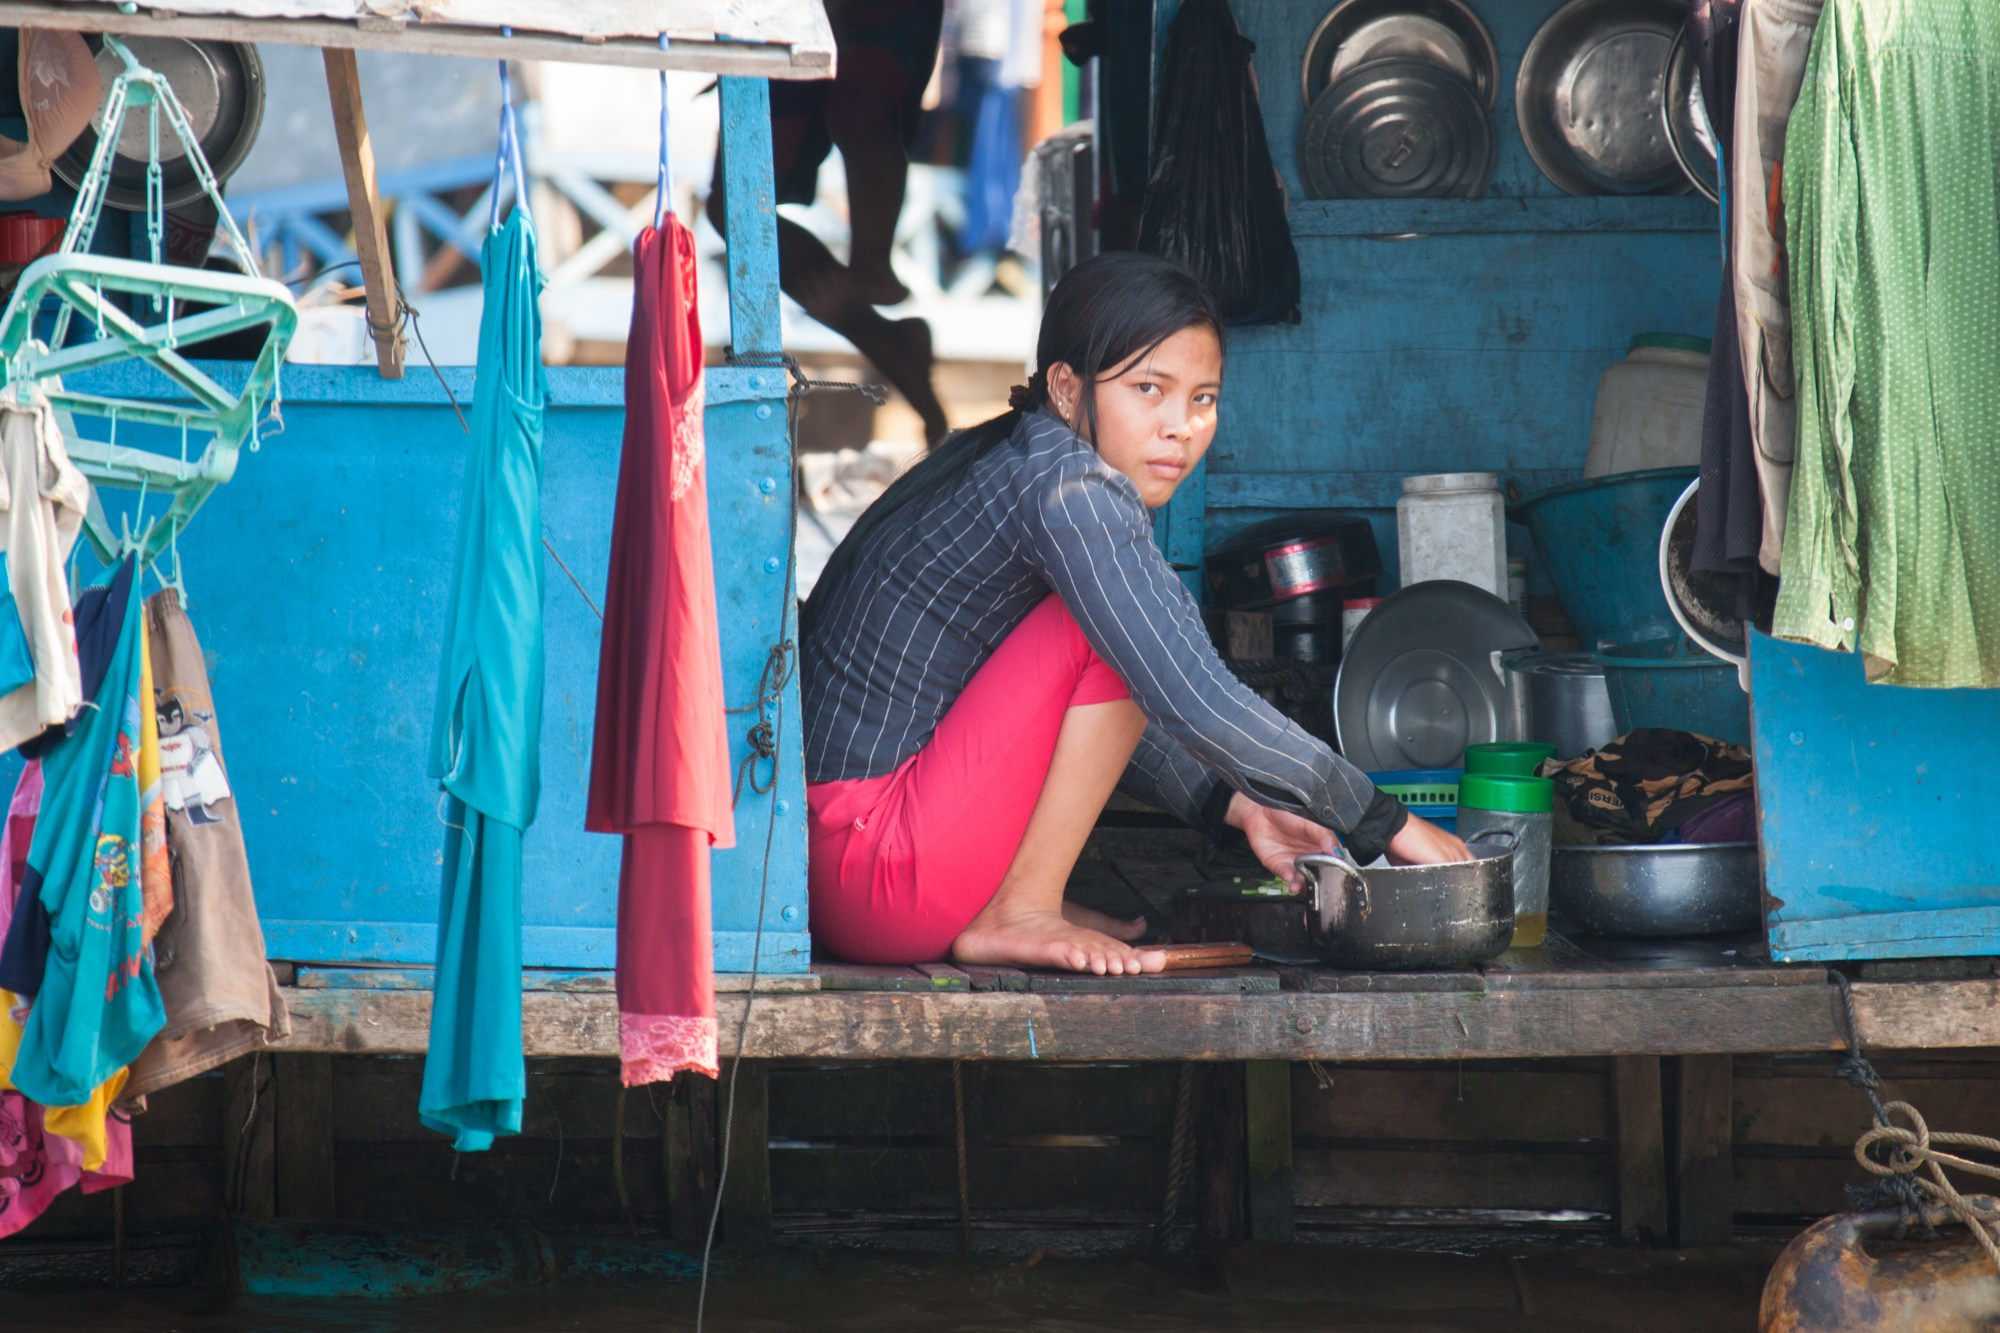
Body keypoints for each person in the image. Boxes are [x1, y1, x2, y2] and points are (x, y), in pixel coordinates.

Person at [801, 252, 1470, 976]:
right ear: (1066, 387)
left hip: (832, 865)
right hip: (875, 872)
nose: (1179, 426)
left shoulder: (1020, 460)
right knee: (1116, 633)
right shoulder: (1071, 492)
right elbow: (1190, 690)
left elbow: (1060, 711)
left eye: (1203, 398)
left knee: (1118, 634)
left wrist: (1237, 805)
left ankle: (1020, 898)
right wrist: (1381, 820)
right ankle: (1020, 907)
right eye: (1149, 389)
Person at [707, 0, 950, 444]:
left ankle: (874, 269)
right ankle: (888, 339)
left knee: (862, 96)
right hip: (777, 15)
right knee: (733, 202)